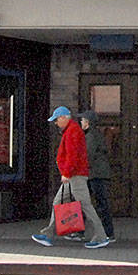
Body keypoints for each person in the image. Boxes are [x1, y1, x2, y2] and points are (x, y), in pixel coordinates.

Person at [31, 105, 110, 249]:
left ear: (63, 118)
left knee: (85, 205)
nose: (55, 123)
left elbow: (73, 156)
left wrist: (66, 173)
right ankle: (48, 234)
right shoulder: (72, 130)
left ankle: (101, 236)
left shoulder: (73, 131)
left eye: (56, 120)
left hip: (75, 175)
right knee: (58, 202)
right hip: (73, 174)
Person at [79, 111, 115, 242]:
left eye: (82, 120)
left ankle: (107, 233)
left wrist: (78, 168)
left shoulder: (91, 136)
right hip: (95, 173)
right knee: (88, 202)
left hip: (95, 174)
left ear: (88, 122)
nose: (81, 123)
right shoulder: (94, 135)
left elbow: (88, 155)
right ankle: (80, 231)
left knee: (98, 203)